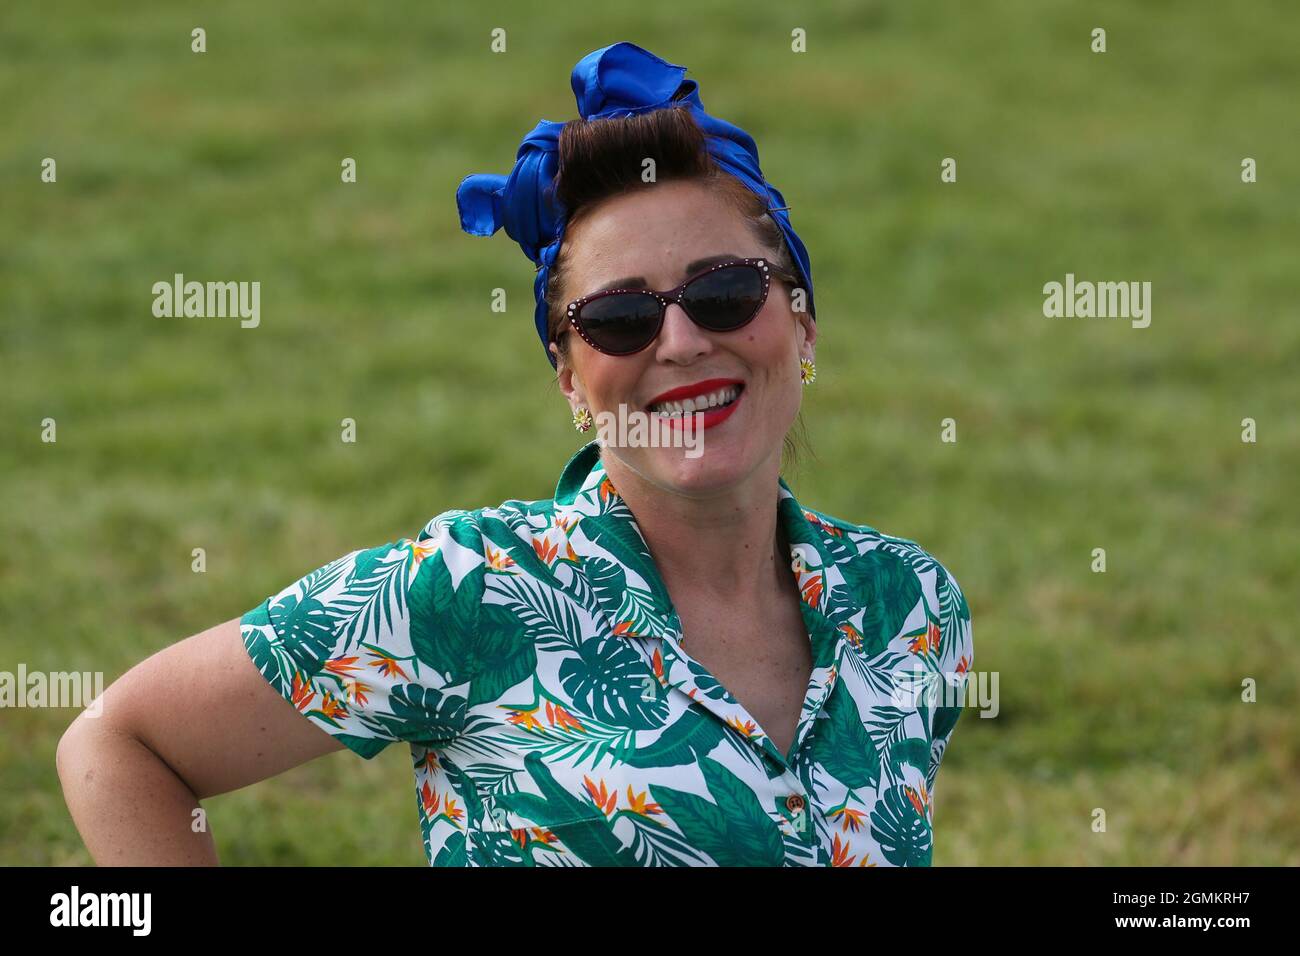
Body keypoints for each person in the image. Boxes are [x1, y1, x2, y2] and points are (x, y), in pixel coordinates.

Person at [57, 41, 973, 867]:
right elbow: (119, 743)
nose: (684, 342)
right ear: (572, 380)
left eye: (725, 290)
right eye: (619, 317)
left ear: (802, 320)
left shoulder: (911, 608)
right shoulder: (473, 588)